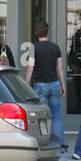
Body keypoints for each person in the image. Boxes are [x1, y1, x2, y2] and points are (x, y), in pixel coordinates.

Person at [26, 21, 65, 153]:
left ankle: (41, 144)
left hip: (40, 85)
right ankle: (60, 146)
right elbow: (59, 69)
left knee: (40, 117)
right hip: (54, 84)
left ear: (36, 33)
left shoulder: (33, 47)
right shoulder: (55, 47)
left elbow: (30, 67)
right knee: (57, 116)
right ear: (47, 32)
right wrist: (63, 85)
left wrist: (26, 85)